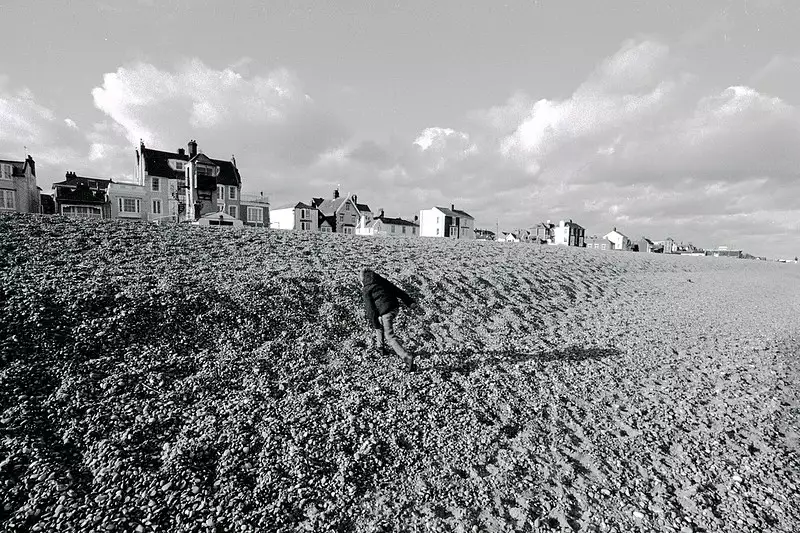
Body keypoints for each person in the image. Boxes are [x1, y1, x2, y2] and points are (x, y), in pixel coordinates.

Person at [360, 268, 418, 371]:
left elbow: (370, 309)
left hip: (385, 312)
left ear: (362, 279)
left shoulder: (366, 289)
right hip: (394, 308)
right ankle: (381, 348)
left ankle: (406, 357)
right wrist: (409, 302)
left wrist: (375, 323)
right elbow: (397, 290)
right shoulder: (382, 281)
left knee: (389, 335)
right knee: (380, 323)